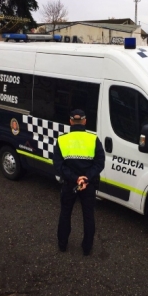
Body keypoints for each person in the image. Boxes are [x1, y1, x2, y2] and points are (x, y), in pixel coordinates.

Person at [53, 109, 105, 256]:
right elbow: (99, 163)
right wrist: (85, 178)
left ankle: (62, 245)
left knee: (65, 213)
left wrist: (75, 178)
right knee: (88, 215)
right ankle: (87, 248)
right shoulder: (93, 139)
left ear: (70, 122)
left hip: (70, 184)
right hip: (88, 185)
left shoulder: (62, 140)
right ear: (85, 121)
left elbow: (58, 165)